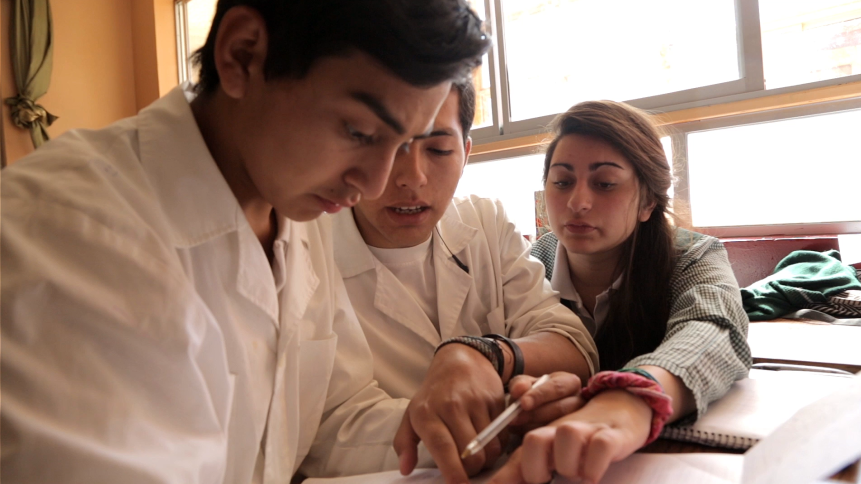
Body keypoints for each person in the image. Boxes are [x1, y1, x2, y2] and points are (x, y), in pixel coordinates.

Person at [0, 1, 489, 483]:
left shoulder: (295, 211)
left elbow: (329, 416)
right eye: (359, 131)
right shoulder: (67, 235)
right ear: (243, 55)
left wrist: (473, 432)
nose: (378, 183)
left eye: (407, 142)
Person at [330, 80, 599, 484]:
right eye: (379, 143)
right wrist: (500, 417)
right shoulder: (306, 248)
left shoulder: (485, 223)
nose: (412, 177)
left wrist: (484, 354)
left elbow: (572, 343)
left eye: (438, 149)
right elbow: (325, 429)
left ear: (466, 152)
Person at [489, 100, 751, 484]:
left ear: (648, 201)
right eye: (562, 182)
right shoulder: (525, 265)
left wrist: (632, 397)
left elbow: (716, 329)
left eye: (605, 183)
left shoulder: (692, 256)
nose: (577, 202)